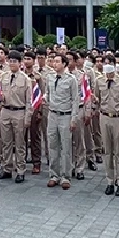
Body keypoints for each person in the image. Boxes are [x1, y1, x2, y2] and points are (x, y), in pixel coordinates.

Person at [94, 54, 119, 197]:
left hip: (118, 117)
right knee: (107, 151)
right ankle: (110, 181)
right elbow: (96, 98)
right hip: (104, 116)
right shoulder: (99, 81)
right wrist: (94, 99)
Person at [43, 53, 79, 190]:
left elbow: (75, 100)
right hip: (52, 114)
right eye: (54, 61)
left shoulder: (71, 79)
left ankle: (65, 176)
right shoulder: (50, 77)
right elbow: (47, 92)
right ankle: (54, 175)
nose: (55, 64)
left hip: (66, 115)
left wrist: (73, 118)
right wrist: (45, 98)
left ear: (64, 64)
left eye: (58, 62)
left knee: (66, 147)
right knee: (52, 145)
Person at [0, 52, 31, 184]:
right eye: (10, 61)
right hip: (5, 110)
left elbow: (29, 101)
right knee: (6, 142)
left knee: (20, 143)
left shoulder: (26, 79)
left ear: (20, 63)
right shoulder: (4, 76)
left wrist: (28, 117)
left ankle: (20, 170)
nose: (12, 63)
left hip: (19, 112)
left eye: (15, 61)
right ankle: (6, 168)